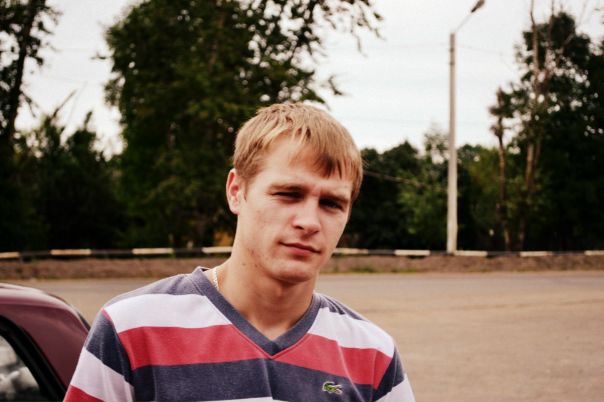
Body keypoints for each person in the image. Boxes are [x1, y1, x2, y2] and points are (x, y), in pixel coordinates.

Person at [64, 103, 415, 402]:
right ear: (236, 191)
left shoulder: (373, 354)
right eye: (288, 194)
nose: (309, 222)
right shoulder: (131, 329)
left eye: (331, 203)